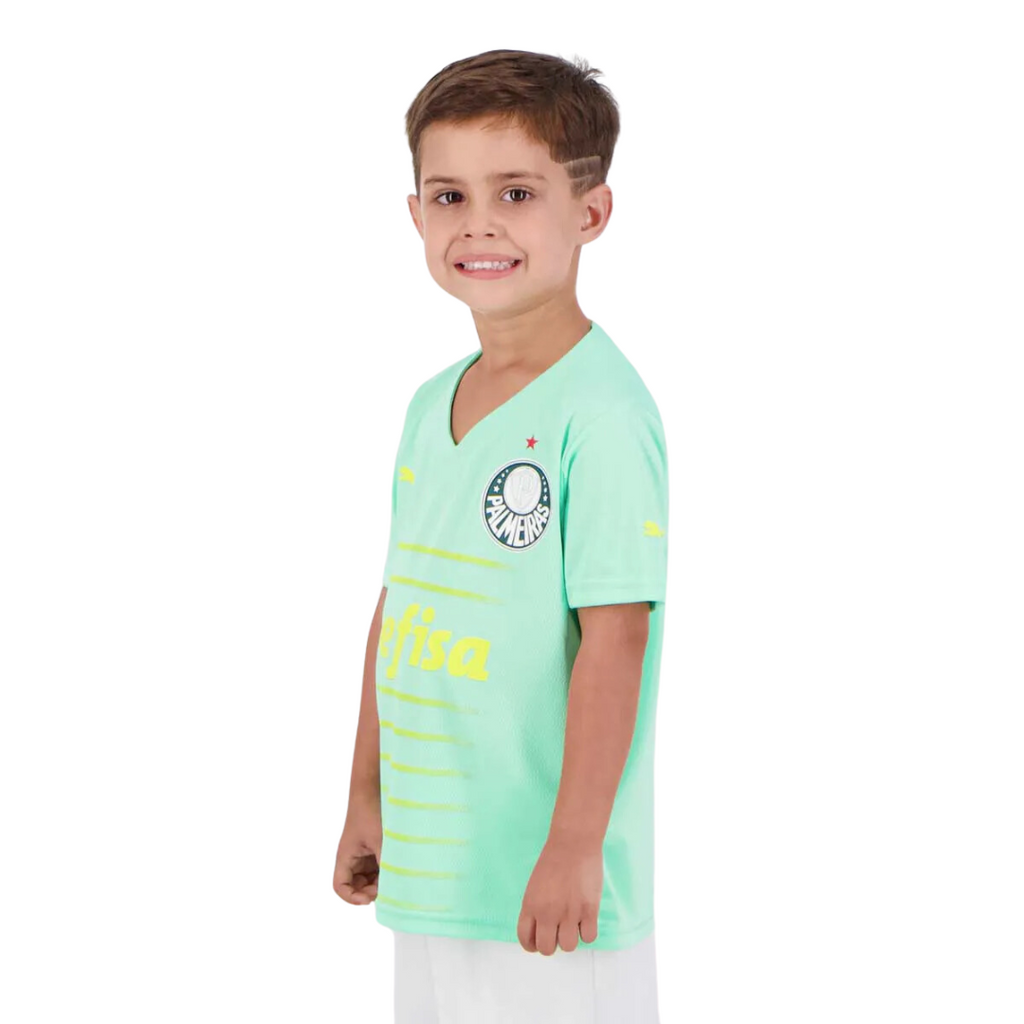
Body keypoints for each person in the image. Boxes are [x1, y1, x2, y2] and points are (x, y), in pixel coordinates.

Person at [333, 48, 668, 1023]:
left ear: (590, 213)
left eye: (515, 193)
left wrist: (574, 844)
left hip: (548, 891)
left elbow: (616, 638)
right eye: (449, 196)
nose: (477, 223)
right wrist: (366, 793)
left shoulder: (602, 414)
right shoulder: (427, 407)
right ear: (415, 216)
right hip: (436, 873)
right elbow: (401, 606)